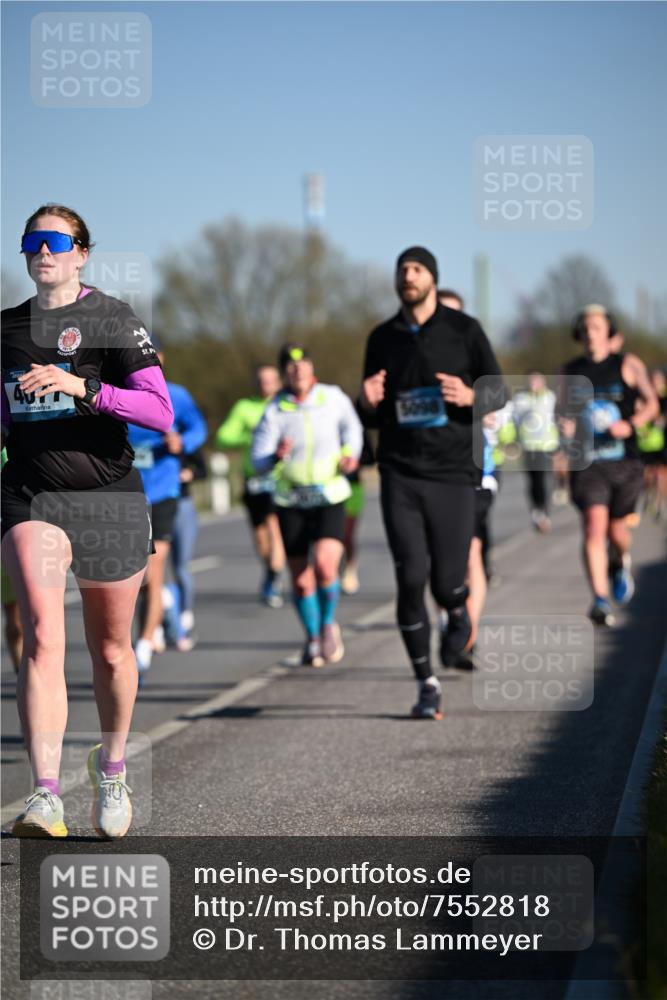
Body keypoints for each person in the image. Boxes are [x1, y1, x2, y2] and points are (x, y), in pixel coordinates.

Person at [2, 204, 173, 838]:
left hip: (109, 497)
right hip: (31, 494)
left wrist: (83, 390)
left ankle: (112, 767)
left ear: (81, 253)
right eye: (31, 241)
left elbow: (159, 412)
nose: (42, 251)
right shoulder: (7, 329)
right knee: (43, 635)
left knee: (110, 649)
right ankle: (45, 794)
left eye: (55, 241)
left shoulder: (112, 319)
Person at [361, 248, 505, 719]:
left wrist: (470, 394)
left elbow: (499, 391)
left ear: (432, 278)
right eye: (402, 269)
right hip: (400, 470)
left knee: (447, 581)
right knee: (409, 577)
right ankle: (426, 683)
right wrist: (365, 401)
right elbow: (372, 408)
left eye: (416, 269)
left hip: (452, 471)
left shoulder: (465, 330)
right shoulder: (382, 337)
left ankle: (457, 608)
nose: (408, 275)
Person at [252, 345, 363, 666]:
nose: (297, 370)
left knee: (327, 566)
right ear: (284, 373)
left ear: (312, 368)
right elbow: (257, 459)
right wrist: (275, 456)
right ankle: (313, 637)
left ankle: (328, 624)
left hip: (329, 494)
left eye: (302, 364)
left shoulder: (332, 397)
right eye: (290, 366)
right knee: (301, 580)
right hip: (291, 499)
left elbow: (352, 428)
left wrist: (350, 454)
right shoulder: (275, 409)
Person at [558, 305, 658, 626]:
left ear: (608, 332)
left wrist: (630, 424)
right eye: (585, 328)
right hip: (588, 463)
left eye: (596, 327)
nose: (590, 333)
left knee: (617, 531)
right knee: (593, 526)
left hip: (625, 461)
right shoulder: (570, 371)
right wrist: (565, 425)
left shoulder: (627, 365)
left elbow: (652, 403)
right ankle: (599, 599)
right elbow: (561, 412)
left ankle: (619, 560)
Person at [128, 350, 208, 679]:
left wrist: (182, 443)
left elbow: (198, 428)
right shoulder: (116, 393)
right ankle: (166, 601)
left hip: (163, 491)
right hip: (127, 495)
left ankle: (144, 646)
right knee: (134, 579)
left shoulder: (175, 395)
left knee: (152, 568)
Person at [215, 366, 286, 608]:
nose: (265, 385)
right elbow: (223, 436)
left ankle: (274, 577)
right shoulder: (244, 407)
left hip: (280, 478)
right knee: (260, 536)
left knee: (274, 525)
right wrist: (250, 436)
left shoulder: (285, 405)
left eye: (270, 381)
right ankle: (271, 570)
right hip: (253, 478)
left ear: (278, 382)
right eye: (261, 380)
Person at [512, 371, 559, 532]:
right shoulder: (520, 400)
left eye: (537, 381)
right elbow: (514, 422)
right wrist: (514, 441)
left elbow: (557, 419)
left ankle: (544, 512)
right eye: (531, 381)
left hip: (547, 445)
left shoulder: (551, 398)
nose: (534, 384)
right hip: (529, 446)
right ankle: (536, 511)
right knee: (533, 481)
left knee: (545, 480)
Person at [340, 432, 375, 595]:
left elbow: (369, 458)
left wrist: (351, 460)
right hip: (324, 487)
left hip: (351, 487)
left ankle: (349, 568)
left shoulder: (354, 427)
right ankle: (331, 571)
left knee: (346, 534)